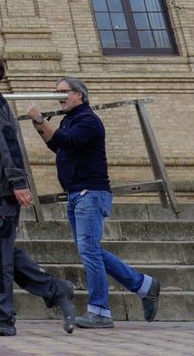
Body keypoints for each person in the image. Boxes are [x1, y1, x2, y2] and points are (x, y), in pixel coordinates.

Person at [30, 76, 161, 329]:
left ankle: (100, 311)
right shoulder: (70, 120)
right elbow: (59, 147)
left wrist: (40, 119)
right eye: (56, 92)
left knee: (89, 250)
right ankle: (145, 285)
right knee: (91, 250)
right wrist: (40, 127)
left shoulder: (88, 120)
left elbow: (66, 141)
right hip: (77, 193)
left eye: (63, 92)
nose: (58, 96)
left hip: (90, 193)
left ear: (79, 94)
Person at [0, 53, 76, 337]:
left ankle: (2, 319)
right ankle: (56, 290)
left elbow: (8, 140)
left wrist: (19, 182)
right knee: (2, 253)